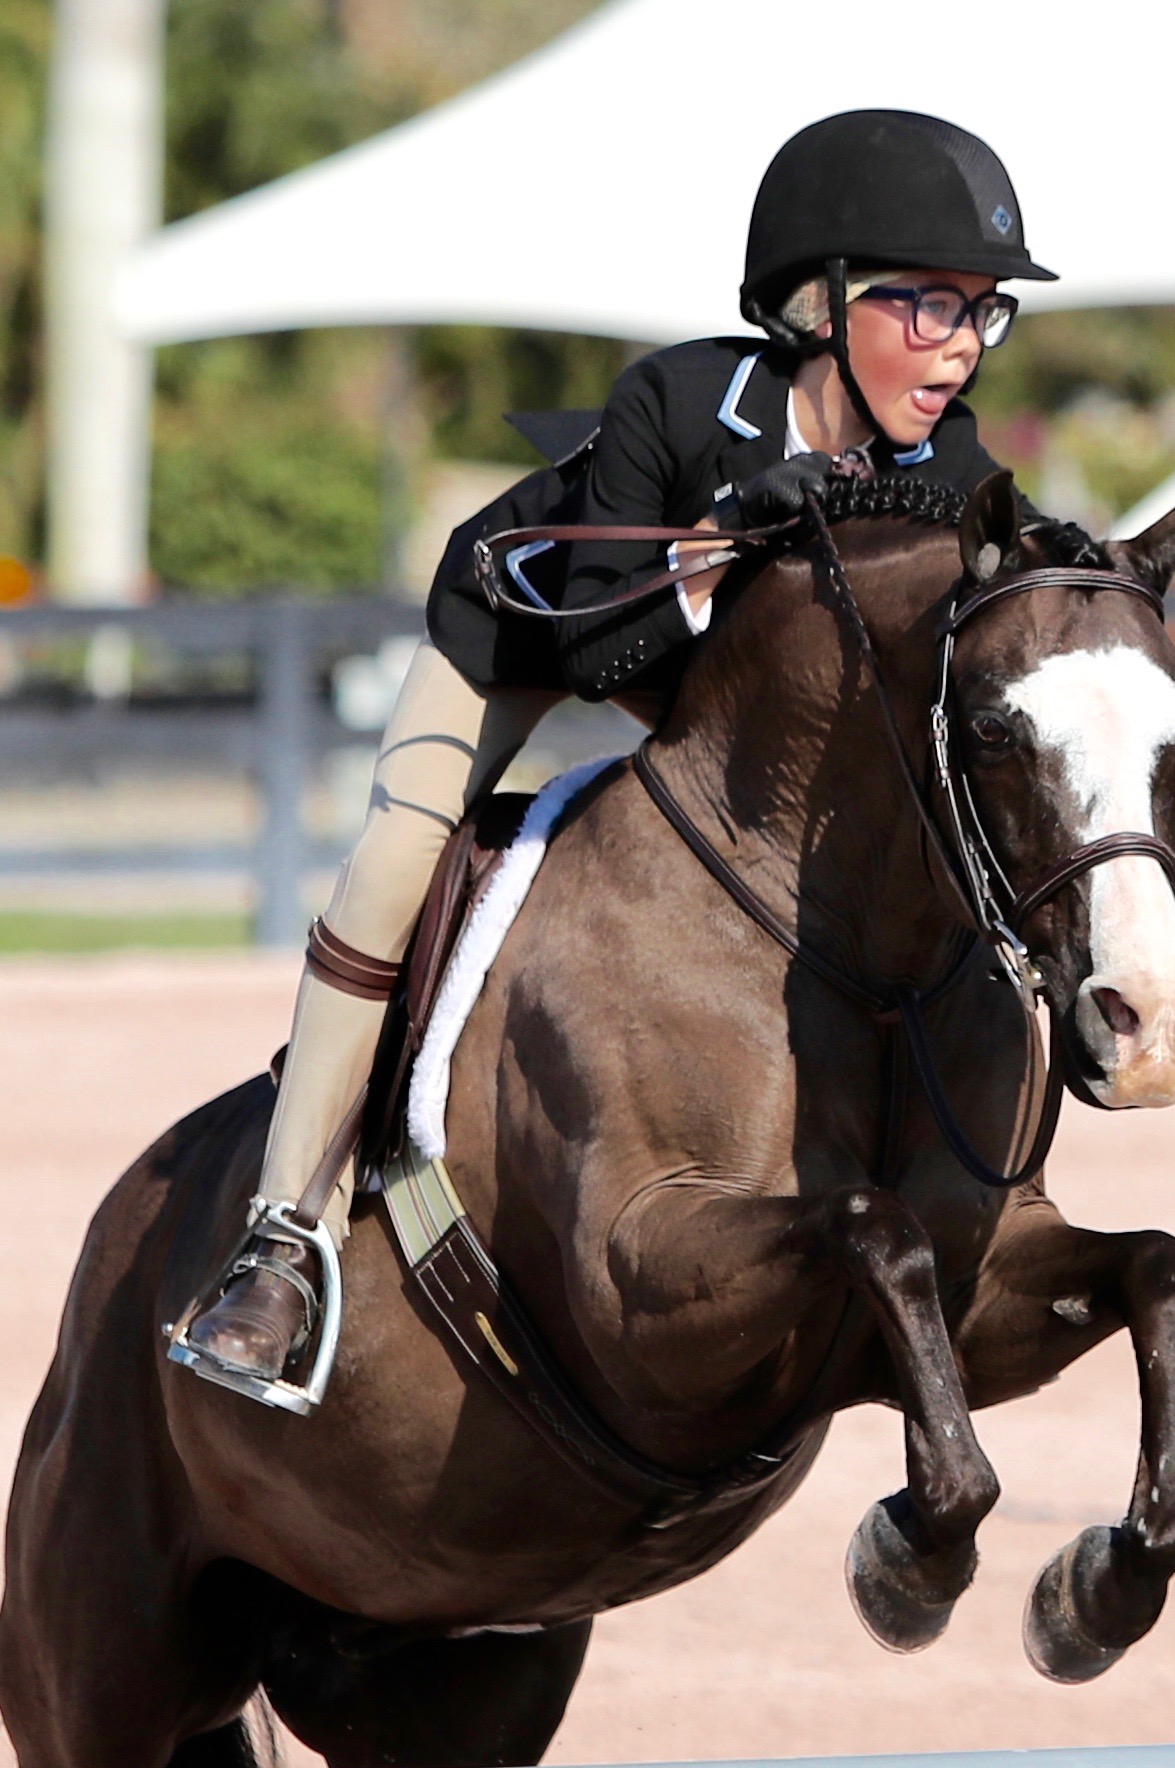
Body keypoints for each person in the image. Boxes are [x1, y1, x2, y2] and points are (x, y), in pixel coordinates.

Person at [176, 108, 1059, 1405]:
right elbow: (596, 654)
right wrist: (720, 538)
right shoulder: (679, 400)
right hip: (527, 634)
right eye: (926, 306)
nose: (960, 346)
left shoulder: (949, 459)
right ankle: (281, 1238)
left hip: (713, 696)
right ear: (818, 304)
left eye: (983, 313)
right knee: (395, 855)